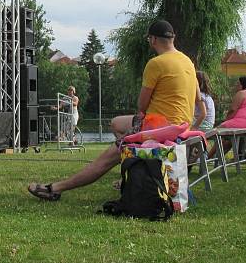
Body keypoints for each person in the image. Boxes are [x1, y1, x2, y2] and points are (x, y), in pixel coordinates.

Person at [27, 20, 204, 201]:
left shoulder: (156, 63)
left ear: (152, 40)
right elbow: (197, 101)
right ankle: (131, 164)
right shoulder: (187, 61)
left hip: (158, 128)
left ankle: (56, 188)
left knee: (104, 160)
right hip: (181, 126)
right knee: (116, 123)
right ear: (172, 38)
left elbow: (141, 105)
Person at [208, 76, 246, 156]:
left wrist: (226, 121)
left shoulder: (242, 93)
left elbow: (232, 110)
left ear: (242, 85)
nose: (236, 85)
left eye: (238, 83)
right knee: (229, 140)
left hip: (243, 123)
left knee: (215, 132)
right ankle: (216, 157)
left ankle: (207, 155)